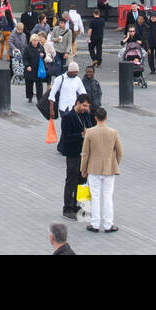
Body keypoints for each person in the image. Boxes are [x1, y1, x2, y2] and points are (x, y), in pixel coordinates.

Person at [80, 106, 123, 234]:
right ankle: (108, 225)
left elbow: (85, 153)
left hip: (94, 168)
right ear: (106, 118)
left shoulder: (90, 132)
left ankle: (95, 224)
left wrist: (83, 168)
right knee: (108, 196)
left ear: (95, 118)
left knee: (95, 196)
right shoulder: (113, 132)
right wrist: (115, 164)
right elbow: (120, 152)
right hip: (109, 169)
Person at [59, 93, 95, 220]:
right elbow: (66, 137)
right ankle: (68, 207)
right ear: (78, 103)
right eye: (84, 105)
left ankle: (80, 205)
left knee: (83, 179)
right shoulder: (68, 117)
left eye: (87, 106)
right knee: (71, 179)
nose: (86, 108)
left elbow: (90, 127)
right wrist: (81, 134)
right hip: (73, 153)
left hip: (84, 153)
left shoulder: (85, 115)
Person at [24, 31, 48, 104]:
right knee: (29, 84)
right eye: (34, 40)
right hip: (30, 68)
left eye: (37, 40)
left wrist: (43, 55)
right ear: (31, 41)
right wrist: (27, 65)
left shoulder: (40, 47)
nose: (35, 42)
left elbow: (44, 55)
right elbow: (25, 58)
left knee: (39, 85)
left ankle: (39, 98)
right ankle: (30, 97)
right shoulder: (27, 48)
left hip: (38, 69)